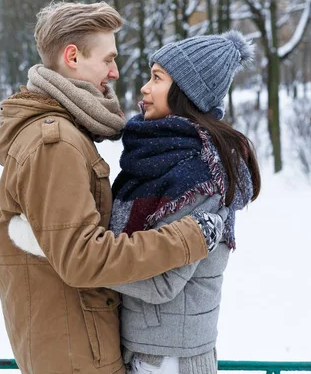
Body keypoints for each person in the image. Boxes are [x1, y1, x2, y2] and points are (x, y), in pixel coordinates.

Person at [0, 0, 227, 374]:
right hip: (77, 352)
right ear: (72, 56)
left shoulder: (61, 135)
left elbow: (70, 248)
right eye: (107, 59)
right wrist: (189, 238)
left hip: (75, 344)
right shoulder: (57, 142)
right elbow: (80, 258)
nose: (116, 72)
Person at [107, 30, 261, 374]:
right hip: (149, 351)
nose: (145, 88)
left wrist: (76, 257)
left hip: (169, 360)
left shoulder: (199, 171)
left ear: (186, 92)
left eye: (157, 78)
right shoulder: (161, 157)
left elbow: (162, 280)